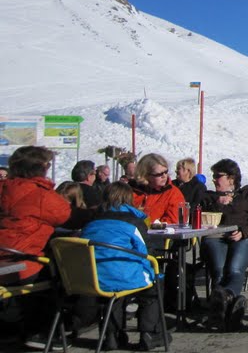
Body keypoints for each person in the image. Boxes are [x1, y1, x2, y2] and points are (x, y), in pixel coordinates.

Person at [81, 182, 171, 351]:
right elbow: (147, 253)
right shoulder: (134, 222)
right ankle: (149, 332)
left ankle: (111, 335)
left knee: (114, 285)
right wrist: (156, 274)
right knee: (153, 283)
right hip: (121, 276)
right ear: (129, 199)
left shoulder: (91, 221)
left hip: (94, 278)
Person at [0, 146, 72, 348]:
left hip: (2, 264)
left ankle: (11, 326)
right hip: (18, 267)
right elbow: (65, 215)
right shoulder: (42, 195)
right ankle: (40, 331)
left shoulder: (3, 187)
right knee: (61, 274)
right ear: (42, 169)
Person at [199, 158, 248, 331]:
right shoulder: (208, 197)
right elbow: (195, 215)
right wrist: (217, 204)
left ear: (231, 178)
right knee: (219, 271)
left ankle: (225, 298)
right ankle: (225, 310)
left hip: (243, 237)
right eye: (213, 176)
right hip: (214, 237)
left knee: (234, 270)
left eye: (218, 176)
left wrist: (244, 232)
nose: (214, 179)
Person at [131, 153, 185, 225]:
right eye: (159, 174)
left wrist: (154, 224)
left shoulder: (173, 193)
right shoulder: (132, 191)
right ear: (145, 175)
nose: (164, 176)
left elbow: (173, 221)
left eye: (166, 172)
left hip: (160, 234)